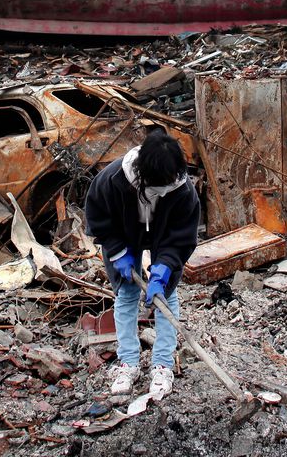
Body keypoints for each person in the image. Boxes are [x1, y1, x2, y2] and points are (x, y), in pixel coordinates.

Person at [84, 128, 200, 399]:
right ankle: (129, 363)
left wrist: (165, 266)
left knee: (166, 297)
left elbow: (182, 235)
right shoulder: (114, 178)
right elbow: (98, 216)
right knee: (126, 295)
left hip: (162, 236)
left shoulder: (182, 190)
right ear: (143, 173)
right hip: (125, 235)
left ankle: (162, 364)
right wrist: (116, 250)